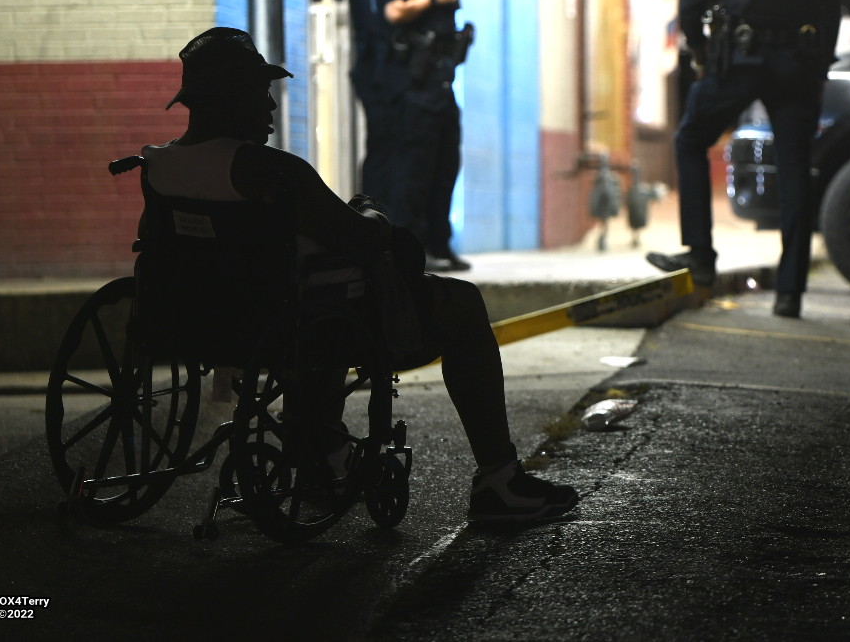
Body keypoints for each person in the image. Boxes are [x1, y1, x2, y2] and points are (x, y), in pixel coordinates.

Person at [142, 26, 577, 522]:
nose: (271, 107)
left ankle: (324, 456)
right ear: (230, 96)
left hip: (203, 323)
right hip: (293, 322)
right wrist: (373, 215)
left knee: (313, 299)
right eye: (260, 93)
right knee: (460, 302)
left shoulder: (158, 167)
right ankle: (500, 479)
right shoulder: (269, 169)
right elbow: (360, 238)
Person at [646, 0, 841, 319]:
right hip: (797, 66)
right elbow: (831, 8)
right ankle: (790, 292)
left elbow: (690, 2)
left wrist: (699, 54)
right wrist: (818, 67)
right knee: (794, 169)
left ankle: (701, 259)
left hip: (737, 62)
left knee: (691, 139)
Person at [370, 0, 473, 273]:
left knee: (445, 164)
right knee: (415, 170)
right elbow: (394, 10)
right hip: (413, 88)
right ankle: (414, 249)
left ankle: (439, 245)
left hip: (437, 85)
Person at [342, 0, 410, 205]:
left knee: (393, 146)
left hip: (381, 64)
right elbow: (373, 12)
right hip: (377, 66)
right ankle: (374, 224)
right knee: (385, 146)